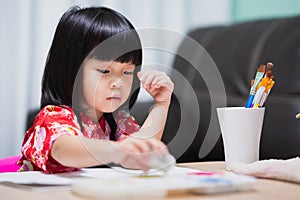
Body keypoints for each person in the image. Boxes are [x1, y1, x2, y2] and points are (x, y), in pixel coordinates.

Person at [17, 6, 174, 173]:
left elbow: (141, 153)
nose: (118, 83)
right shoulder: (54, 117)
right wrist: (117, 151)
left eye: (127, 72)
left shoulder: (117, 120)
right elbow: (63, 149)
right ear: (72, 70)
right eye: (105, 71)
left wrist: (161, 103)